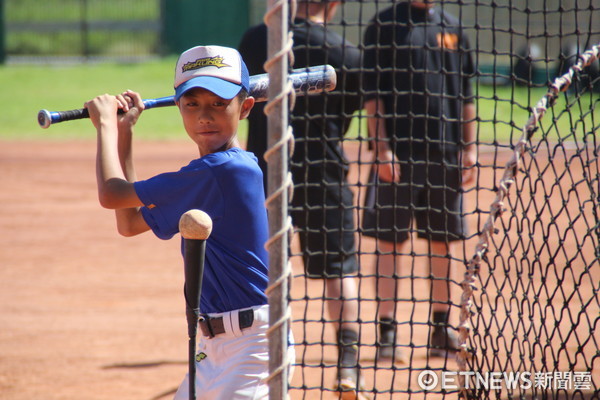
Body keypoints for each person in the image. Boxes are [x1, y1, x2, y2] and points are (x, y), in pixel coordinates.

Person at [85, 45, 281, 399]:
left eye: (219, 103)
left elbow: (110, 195)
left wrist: (104, 128)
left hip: (253, 349)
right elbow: (128, 223)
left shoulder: (224, 171)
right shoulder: (209, 176)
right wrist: (126, 133)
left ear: (246, 107)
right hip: (211, 348)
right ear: (179, 107)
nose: (205, 116)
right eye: (192, 104)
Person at [238, 1, 367, 399]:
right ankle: (348, 366)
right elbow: (347, 114)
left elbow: (238, 104)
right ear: (333, 4)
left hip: (265, 175)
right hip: (324, 175)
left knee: (264, 273)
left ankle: (262, 360)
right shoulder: (344, 52)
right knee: (339, 272)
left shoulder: (258, 39)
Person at [361, 0, 477, 361]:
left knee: (443, 244)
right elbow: (372, 96)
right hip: (398, 156)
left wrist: (469, 148)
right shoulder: (384, 25)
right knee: (388, 244)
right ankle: (387, 336)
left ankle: (440, 332)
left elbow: (466, 96)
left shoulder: (454, 28)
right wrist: (381, 149)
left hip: (445, 155)